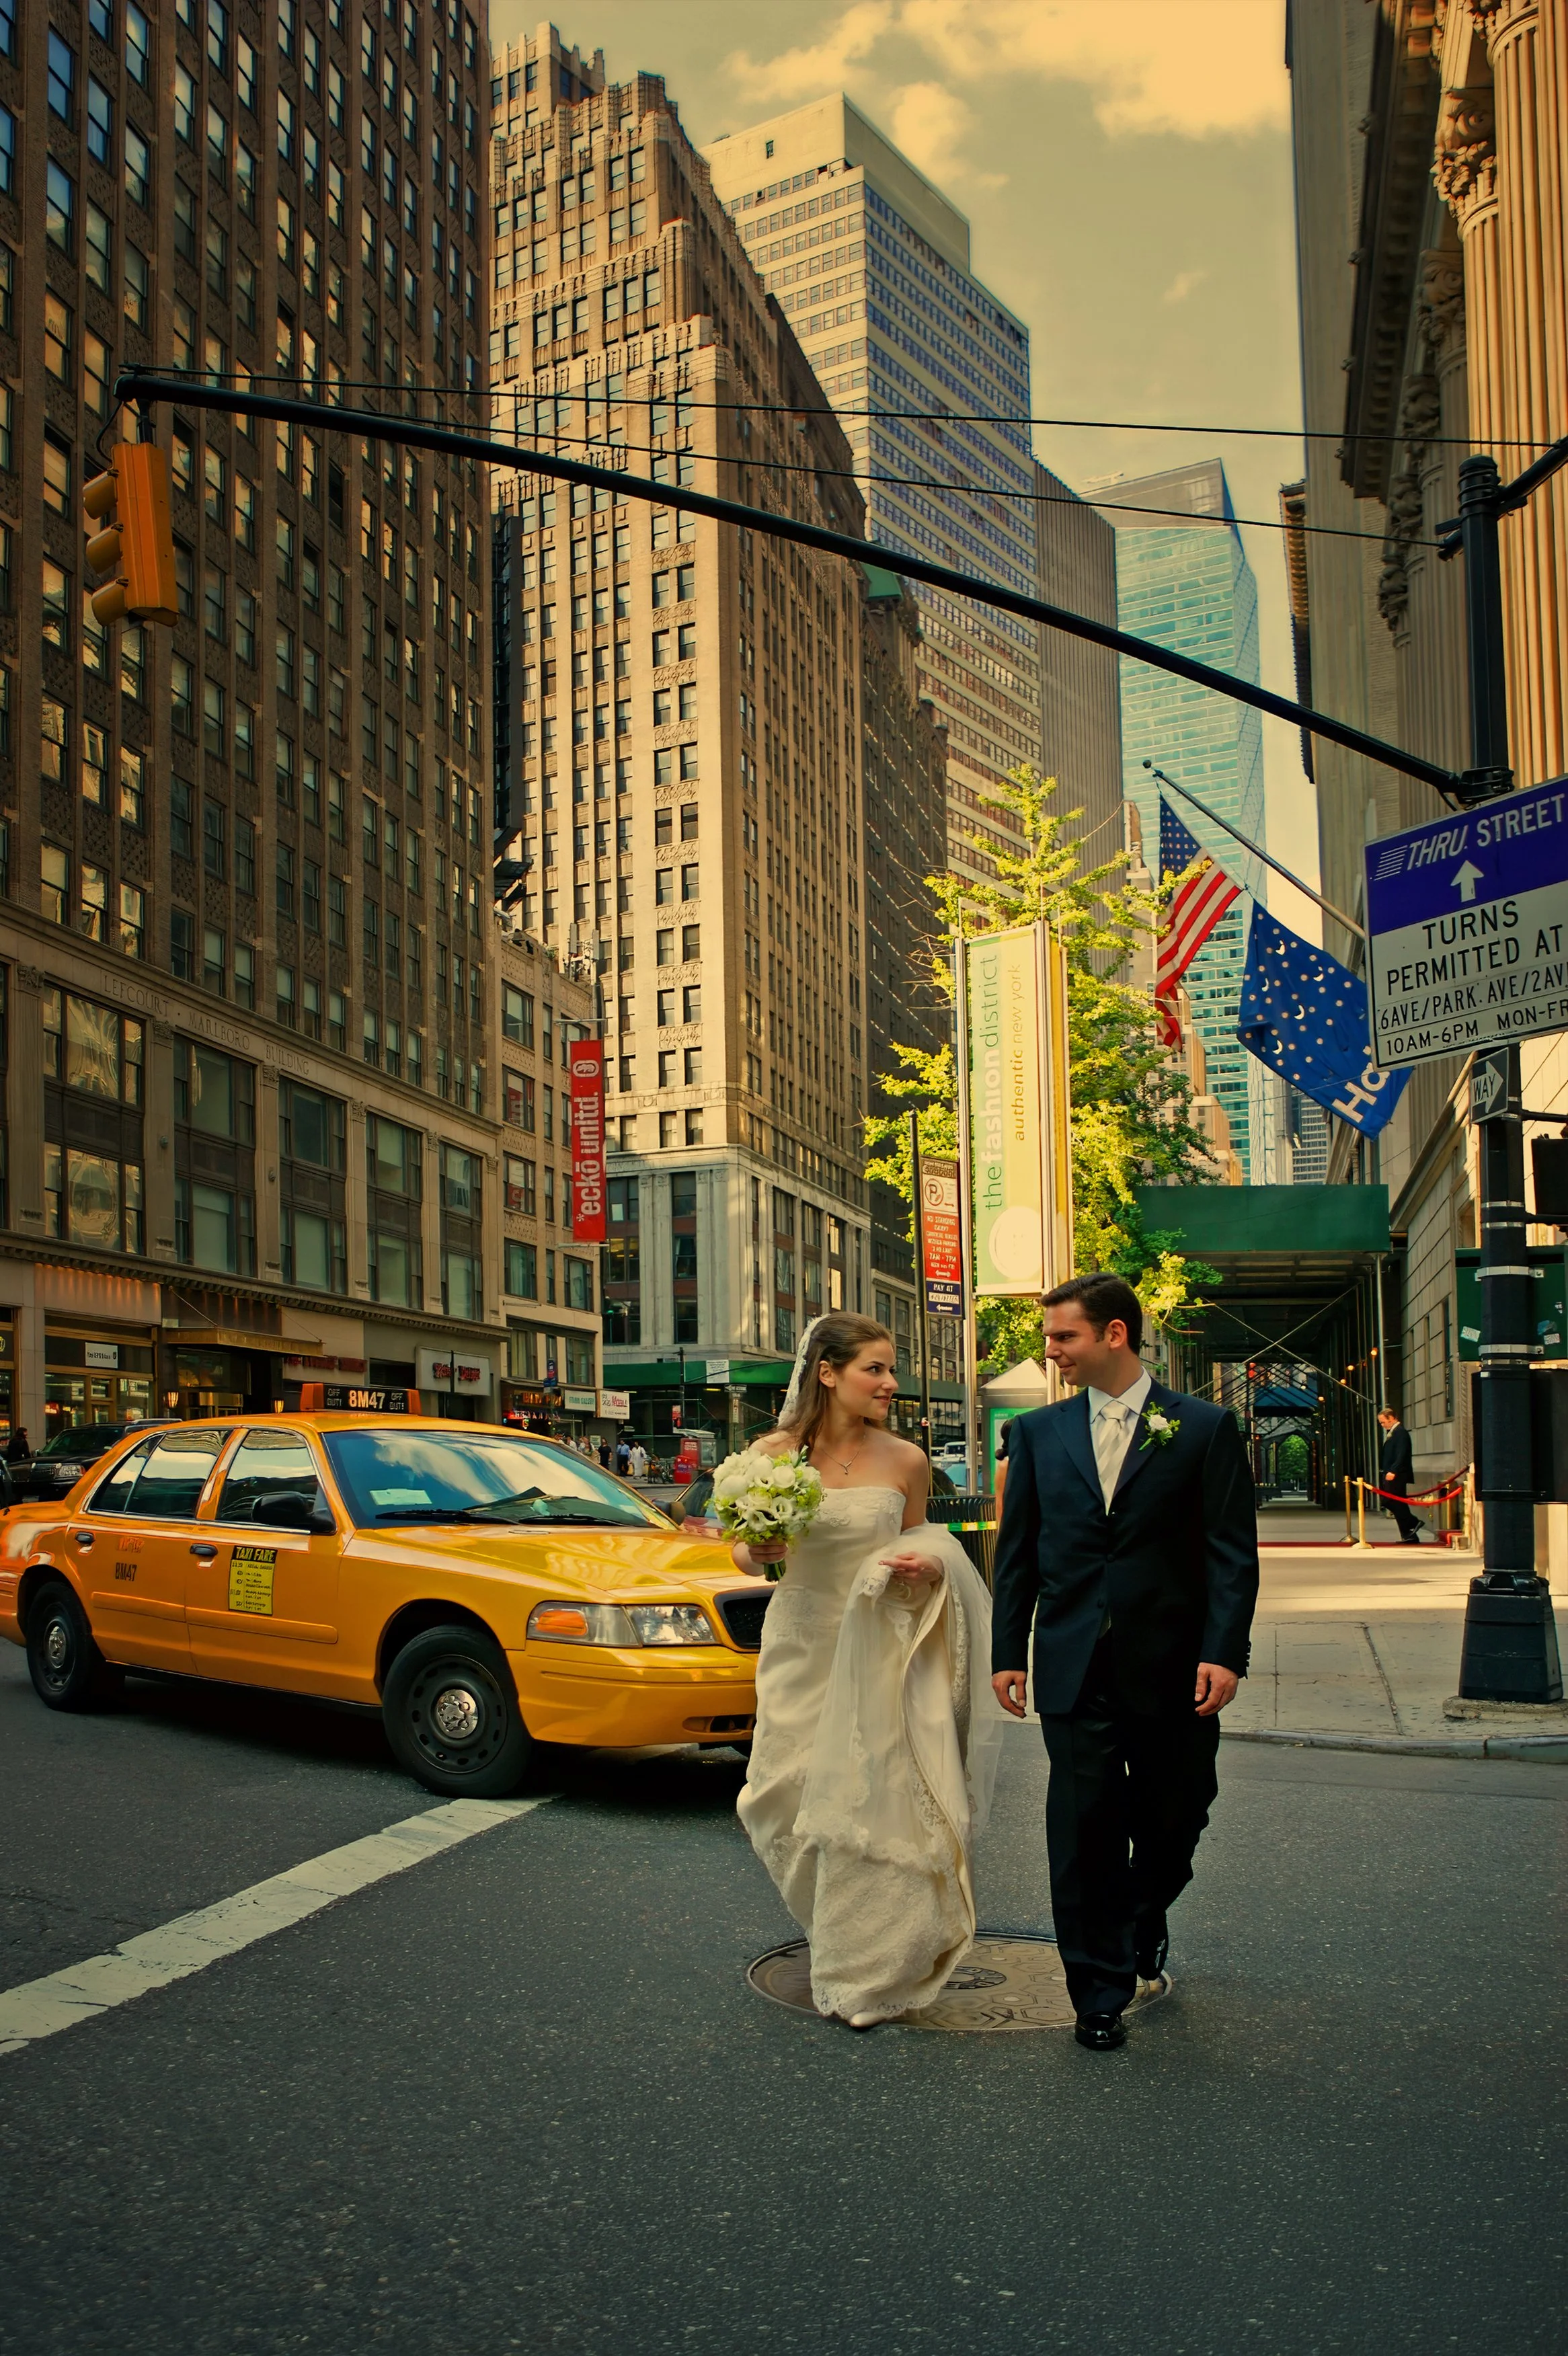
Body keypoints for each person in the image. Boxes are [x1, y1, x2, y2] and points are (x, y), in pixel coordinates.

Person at [991, 1271, 1259, 2054]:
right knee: (1083, 1832)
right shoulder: (1037, 1436)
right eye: (1049, 1339)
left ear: (1114, 1334)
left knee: (1178, 1816)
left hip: (1175, 1665)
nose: (1051, 1352)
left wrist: (1224, 1652)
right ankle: (1097, 1990)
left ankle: (1144, 1916)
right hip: (1073, 1662)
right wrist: (1012, 1651)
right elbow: (1017, 1556)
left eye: (1063, 1336)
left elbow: (1229, 1554)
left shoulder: (1204, 1428)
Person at [734, 1312, 1006, 2028]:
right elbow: (744, 1547)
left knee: (872, 1797)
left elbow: (928, 1544)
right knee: (778, 1796)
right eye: (875, 1369)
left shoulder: (907, 1460)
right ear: (828, 1372)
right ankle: (834, 1926)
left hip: (880, 1649)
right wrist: (754, 1553)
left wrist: (925, 1565)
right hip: (800, 1644)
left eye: (891, 1370)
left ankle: (867, 1965)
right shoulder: (772, 1453)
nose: (891, 1383)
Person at [1376, 1408, 1425, 1543]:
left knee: (1391, 1501)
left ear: (1391, 1419)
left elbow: (1401, 1454)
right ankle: (1408, 1533)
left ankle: (1412, 1523)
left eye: (1383, 1422)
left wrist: (1394, 1471)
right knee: (1396, 1502)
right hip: (1390, 1473)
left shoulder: (1400, 1433)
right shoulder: (1393, 1432)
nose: (1382, 1425)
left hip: (1396, 1475)